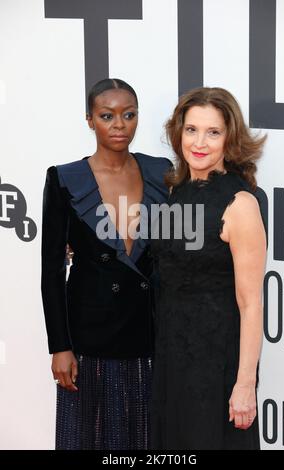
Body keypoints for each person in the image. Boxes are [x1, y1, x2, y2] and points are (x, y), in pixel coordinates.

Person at [41, 78, 171, 450]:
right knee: (86, 439)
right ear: (89, 120)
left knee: (146, 441)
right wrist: (59, 346)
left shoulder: (161, 172)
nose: (119, 124)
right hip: (89, 339)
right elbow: (51, 272)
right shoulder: (65, 179)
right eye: (107, 115)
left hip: (147, 336)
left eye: (128, 115)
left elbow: (174, 246)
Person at [150, 87, 267, 450]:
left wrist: (245, 384)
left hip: (217, 368)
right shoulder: (176, 192)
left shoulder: (240, 204)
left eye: (213, 132)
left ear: (229, 138)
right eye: (191, 130)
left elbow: (251, 304)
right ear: (178, 133)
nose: (199, 142)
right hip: (172, 360)